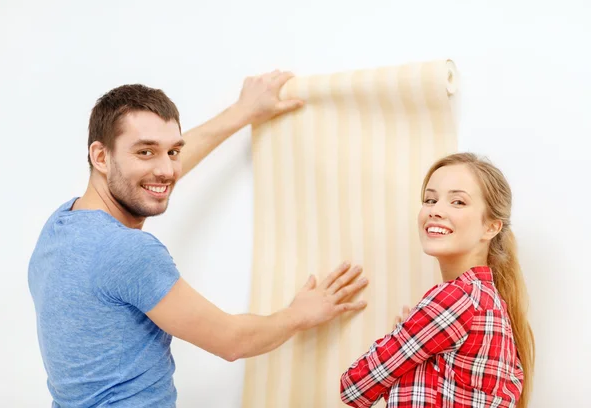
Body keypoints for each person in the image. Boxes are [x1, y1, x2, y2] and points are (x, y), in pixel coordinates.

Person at [28, 70, 369, 407]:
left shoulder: (61, 225)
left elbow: (152, 176)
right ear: (100, 157)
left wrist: (240, 113)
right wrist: (299, 314)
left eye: (172, 151)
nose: (165, 169)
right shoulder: (128, 251)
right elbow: (232, 341)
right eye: (145, 152)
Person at [339, 153, 535, 408]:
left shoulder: (455, 299)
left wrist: (404, 336)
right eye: (430, 200)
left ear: (491, 227)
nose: (436, 211)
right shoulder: (489, 303)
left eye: (457, 202)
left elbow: (354, 387)